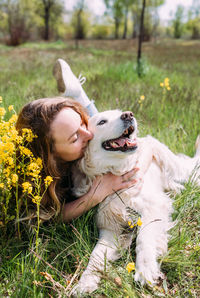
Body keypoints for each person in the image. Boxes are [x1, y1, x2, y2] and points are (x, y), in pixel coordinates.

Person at [16, 59, 141, 223]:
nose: (88, 135)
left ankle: (79, 97)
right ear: (52, 156)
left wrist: (134, 173)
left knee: (97, 123)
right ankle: (78, 96)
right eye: (75, 138)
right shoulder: (38, 178)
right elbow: (48, 218)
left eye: (82, 124)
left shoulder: (84, 136)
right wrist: (95, 195)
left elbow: (147, 147)